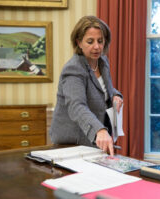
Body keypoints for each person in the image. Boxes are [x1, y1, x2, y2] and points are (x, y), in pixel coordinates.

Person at [50, 16, 123, 156]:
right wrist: (99, 130)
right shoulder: (73, 69)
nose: (97, 46)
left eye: (100, 41)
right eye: (90, 41)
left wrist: (115, 95)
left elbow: (103, 89)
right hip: (71, 142)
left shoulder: (102, 61)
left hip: (94, 140)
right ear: (79, 42)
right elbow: (77, 106)